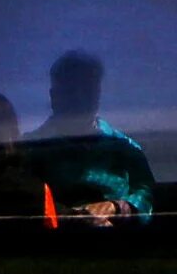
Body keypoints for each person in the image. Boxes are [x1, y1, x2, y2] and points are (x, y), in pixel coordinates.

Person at [19, 50, 154, 224]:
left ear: (98, 94)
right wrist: (74, 217)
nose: (80, 97)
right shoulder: (31, 149)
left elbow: (147, 194)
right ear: (54, 96)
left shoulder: (124, 147)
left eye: (88, 89)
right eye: (71, 90)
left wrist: (117, 207)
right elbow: (25, 199)